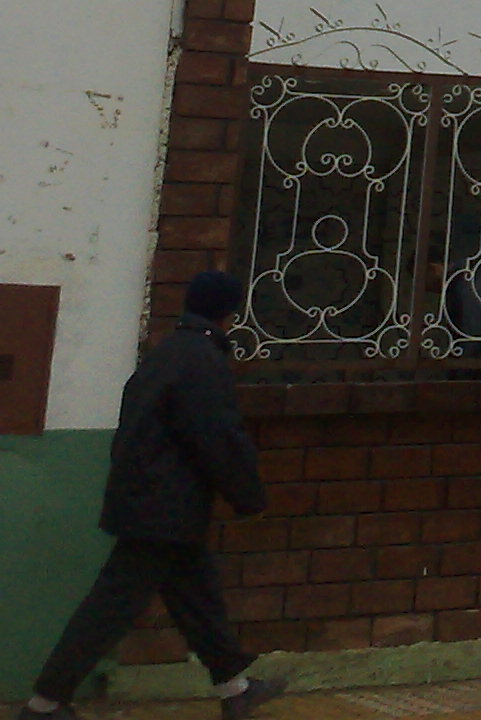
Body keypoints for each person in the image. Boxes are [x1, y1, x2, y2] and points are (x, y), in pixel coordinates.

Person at [21, 272, 284, 720]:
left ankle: (235, 689)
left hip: (152, 502)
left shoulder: (167, 353)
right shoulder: (202, 361)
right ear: (229, 313)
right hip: (164, 508)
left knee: (198, 601)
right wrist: (249, 497)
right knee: (110, 608)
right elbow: (218, 438)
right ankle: (44, 704)